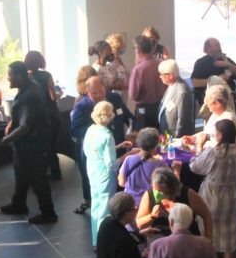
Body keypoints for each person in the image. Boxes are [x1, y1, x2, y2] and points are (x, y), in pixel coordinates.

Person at [189, 119, 236, 258]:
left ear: (220, 134)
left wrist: (199, 147)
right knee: (230, 232)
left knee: (207, 230)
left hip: (212, 194)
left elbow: (195, 166)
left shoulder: (213, 153)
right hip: (231, 194)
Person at [0, 62, 57, 225]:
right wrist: (12, 122)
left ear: (19, 76)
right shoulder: (30, 87)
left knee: (37, 177)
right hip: (31, 142)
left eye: (9, 75)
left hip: (33, 144)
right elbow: (22, 117)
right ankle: (19, 203)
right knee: (20, 171)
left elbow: (26, 125)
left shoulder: (29, 96)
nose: (7, 78)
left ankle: (48, 212)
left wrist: (7, 139)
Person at [71, 76, 133, 214]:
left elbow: (128, 115)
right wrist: (97, 132)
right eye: (95, 93)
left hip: (117, 146)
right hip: (96, 153)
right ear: (88, 92)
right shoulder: (82, 106)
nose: (99, 95)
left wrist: (133, 129)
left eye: (101, 91)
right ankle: (92, 204)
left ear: (105, 88)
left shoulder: (115, 98)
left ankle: (120, 206)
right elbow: (75, 129)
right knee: (101, 194)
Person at [84, 101, 134, 247]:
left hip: (93, 170)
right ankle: (103, 242)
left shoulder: (91, 129)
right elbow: (112, 165)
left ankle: (96, 239)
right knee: (106, 209)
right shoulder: (107, 135)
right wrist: (128, 154)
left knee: (96, 206)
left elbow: (95, 150)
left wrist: (117, 146)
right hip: (105, 175)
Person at [136, 167, 214, 241]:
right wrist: (152, 216)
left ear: (171, 189)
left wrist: (209, 241)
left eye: (161, 191)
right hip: (160, 240)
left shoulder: (187, 194)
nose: (157, 194)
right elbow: (139, 224)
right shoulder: (149, 195)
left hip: (187, 238)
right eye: (155, 190)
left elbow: (207, 215)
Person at [25, 50, 62, 180]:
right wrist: (59, 93)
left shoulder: (26, 78)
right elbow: (53, 97)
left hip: (36, 117)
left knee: (40, 146)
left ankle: (40, 172)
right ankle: (56, 172)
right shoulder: (46, 75)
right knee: (52, 146)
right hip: (51, 114)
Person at [118, 128, 168, 207]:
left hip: (129, 204)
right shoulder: (160, 164)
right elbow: (167, 187)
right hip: (148, 204)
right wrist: (176, 170)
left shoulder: (128, 159)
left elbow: (121, 183)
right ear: (156, 145)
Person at [183, 84, 236, 153]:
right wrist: (194, 139)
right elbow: (207, 134)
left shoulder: (227, 121)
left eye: (208, 103)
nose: (207, 106)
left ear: (217, 103)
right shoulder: (217, 113)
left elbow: (217, 150)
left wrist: (194, 146)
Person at [190, 37, 236, 104]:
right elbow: (195, 83)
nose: (219, 47)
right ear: (208, 48)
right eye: (216, 45)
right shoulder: (201, 63)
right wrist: (217, 80)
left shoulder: (225, 59)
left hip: (231, 96)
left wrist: (228, 65)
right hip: (212, 99)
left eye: (219, 45)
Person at [129, 35, 166, 130]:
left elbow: (133, 95)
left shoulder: (138, 69)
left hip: (144, 112)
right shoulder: (162, 63)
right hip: (161, 108)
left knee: (144, 142)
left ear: (138, 50)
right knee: (160, 139)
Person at [157, 59, 194, 137]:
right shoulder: (171, 85)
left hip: (174, 138)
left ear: (170, 75)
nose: (160, 77)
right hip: (166, 134)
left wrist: (177, 140)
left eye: (162, 74)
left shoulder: (182, 91)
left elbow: (183, 120)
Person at [105, 32, 130, 101]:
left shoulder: (119, 59)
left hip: (123, 93)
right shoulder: (109, 62)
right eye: (121, 43)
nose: (124, 46)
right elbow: (111, 81)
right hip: (116, 94)